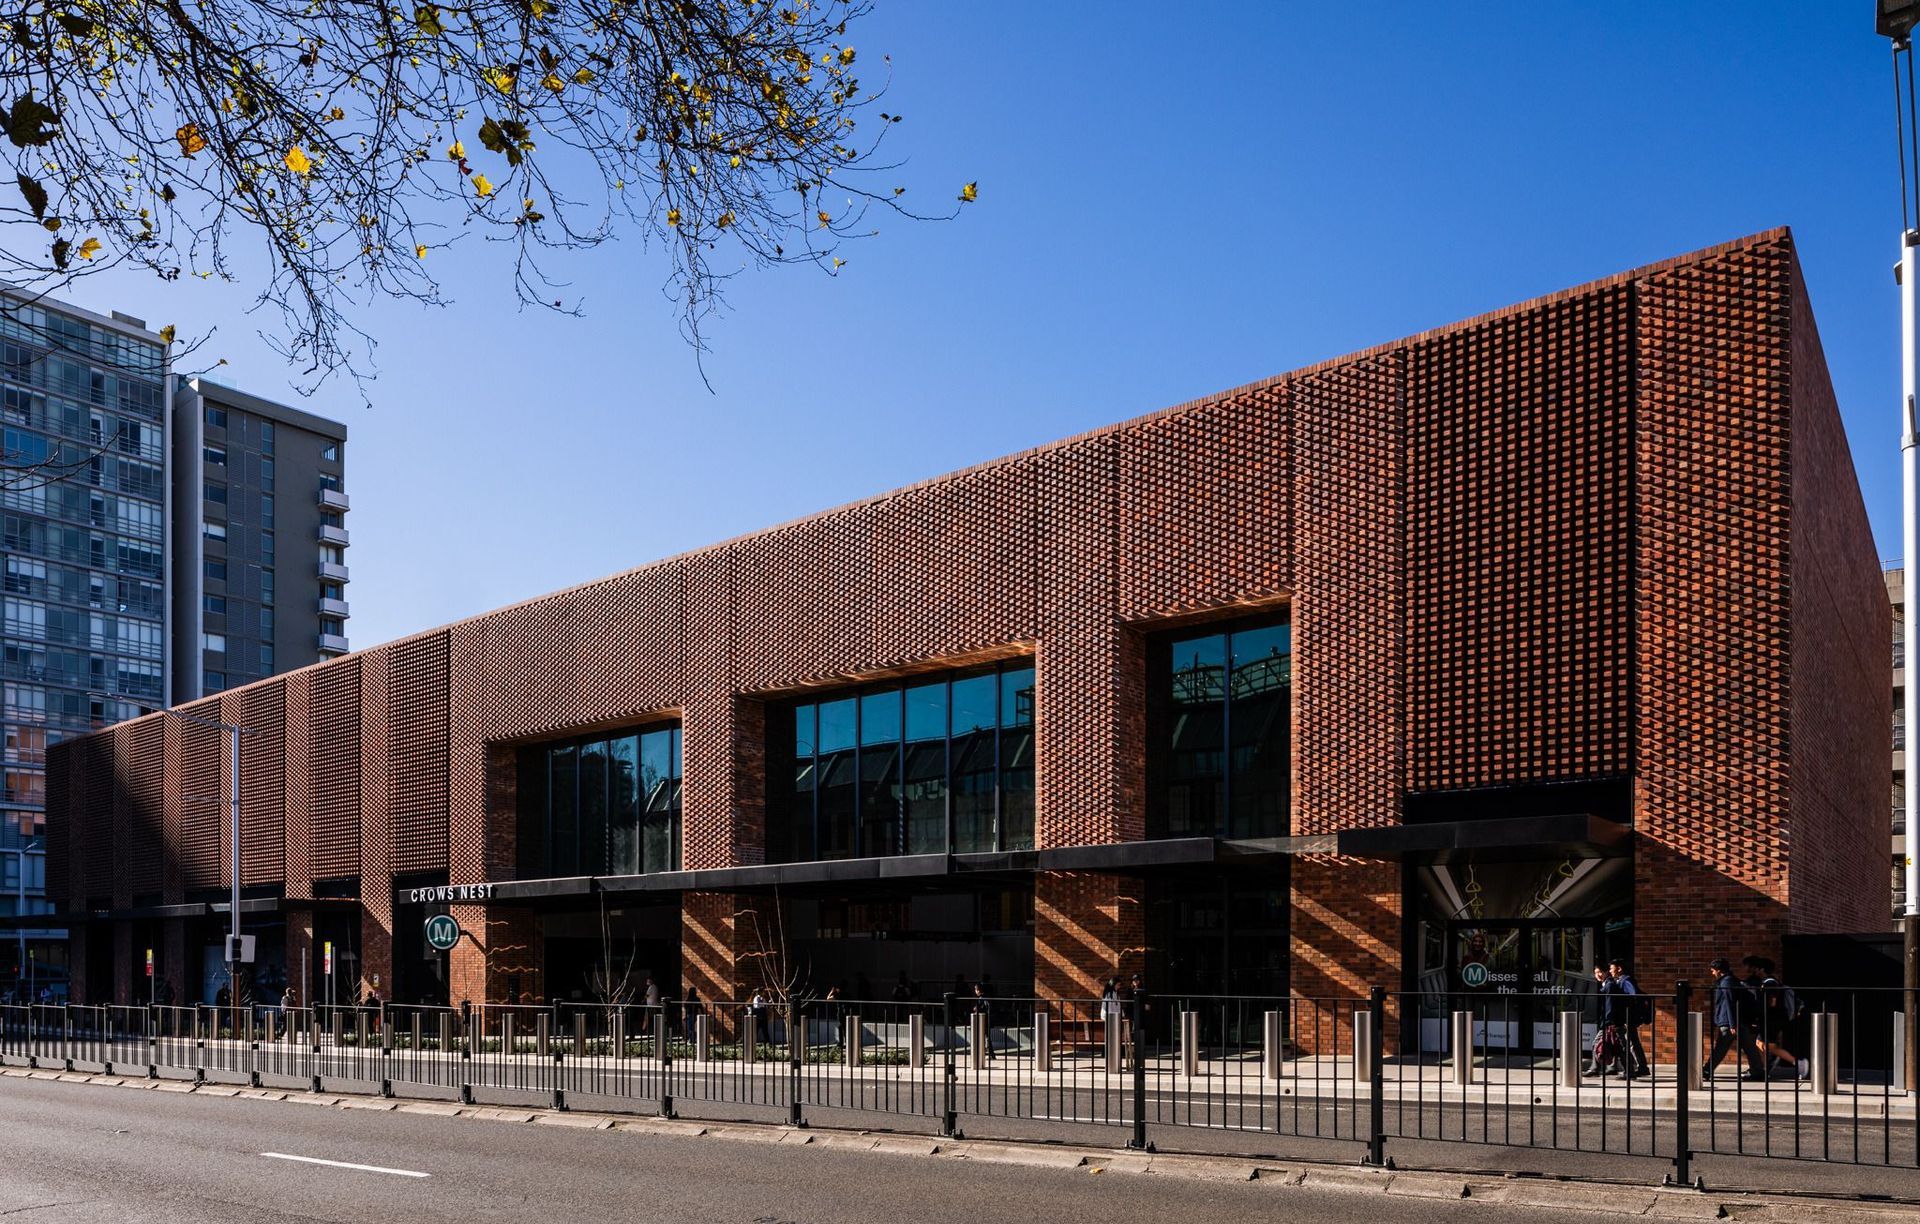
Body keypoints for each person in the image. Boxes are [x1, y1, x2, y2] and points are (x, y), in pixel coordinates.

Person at [1703, 957, 1765, 1081]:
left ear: (1719, 970)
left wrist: (1732, 1024)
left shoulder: (1726, 982)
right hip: (1737, 1021)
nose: (1712, 973)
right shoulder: (1731, 980)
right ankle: (1758, 1071)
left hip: (1730, 1021)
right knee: (1749, 1047)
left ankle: (1706, 1070)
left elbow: (1730, 1003)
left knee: (1720, 1048)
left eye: (1713, 970)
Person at [1747, 956, 1807, 1080]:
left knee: (1770, 1046)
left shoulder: (1769, 983)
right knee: (1760, 1043)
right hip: (1771, 1019)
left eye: (1756, 969)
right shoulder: (1771, 981)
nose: (1754, 971)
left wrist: (1762, 1009)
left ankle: (1798, 1062)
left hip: (1772, 1019)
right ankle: (1764, 1069)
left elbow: (1772, 1002)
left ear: (1761, 969)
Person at [1608, 957, 1649, 1080]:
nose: (1610, 971)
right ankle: (1642, 1067)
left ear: (1619, 969)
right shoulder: (1620, 980)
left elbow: (1634, 996)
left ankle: (1639, 1068)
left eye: (1611, 968)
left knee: (1630, 1042)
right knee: (1632, 1042)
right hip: (1628, 1017)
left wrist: (1627, 1011)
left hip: (1628, 1017)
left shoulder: (1625, 981)